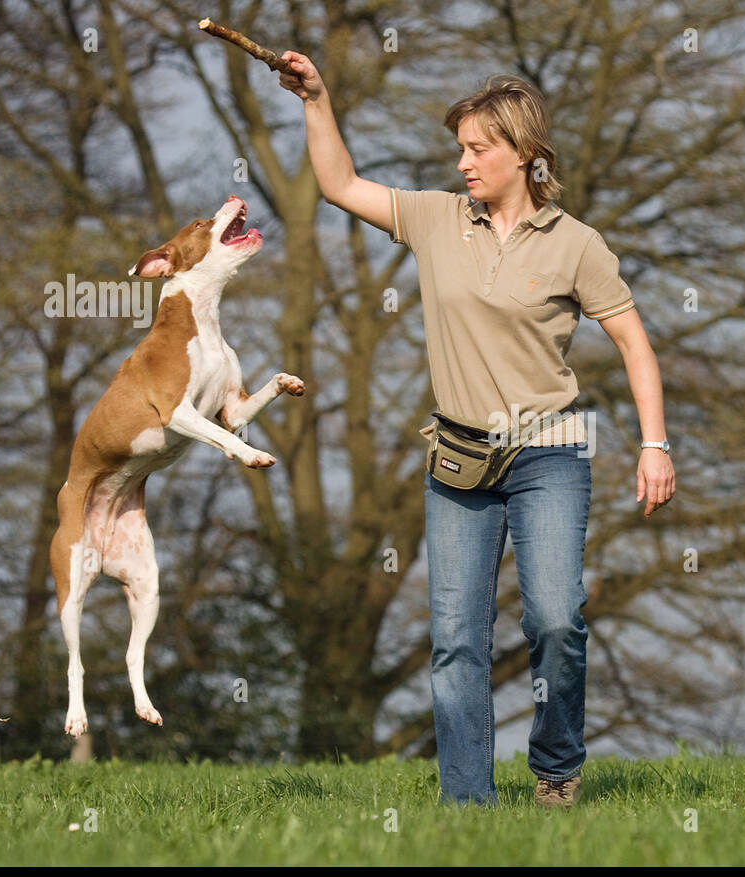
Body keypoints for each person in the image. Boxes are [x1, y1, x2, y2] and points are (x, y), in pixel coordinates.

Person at [280, 51, 675, 808]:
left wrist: (654, 445)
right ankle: (469, 808)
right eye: (459, 148)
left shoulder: (576, 244)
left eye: (477, 148)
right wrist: (317, 100)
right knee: (457, 640)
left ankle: (556, 768)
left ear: (525, 154)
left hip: (550, 450)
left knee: (556, 619)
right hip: (459, 456)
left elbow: (634, 343)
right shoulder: (435, 219)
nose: (462, 162)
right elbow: (338, 185)